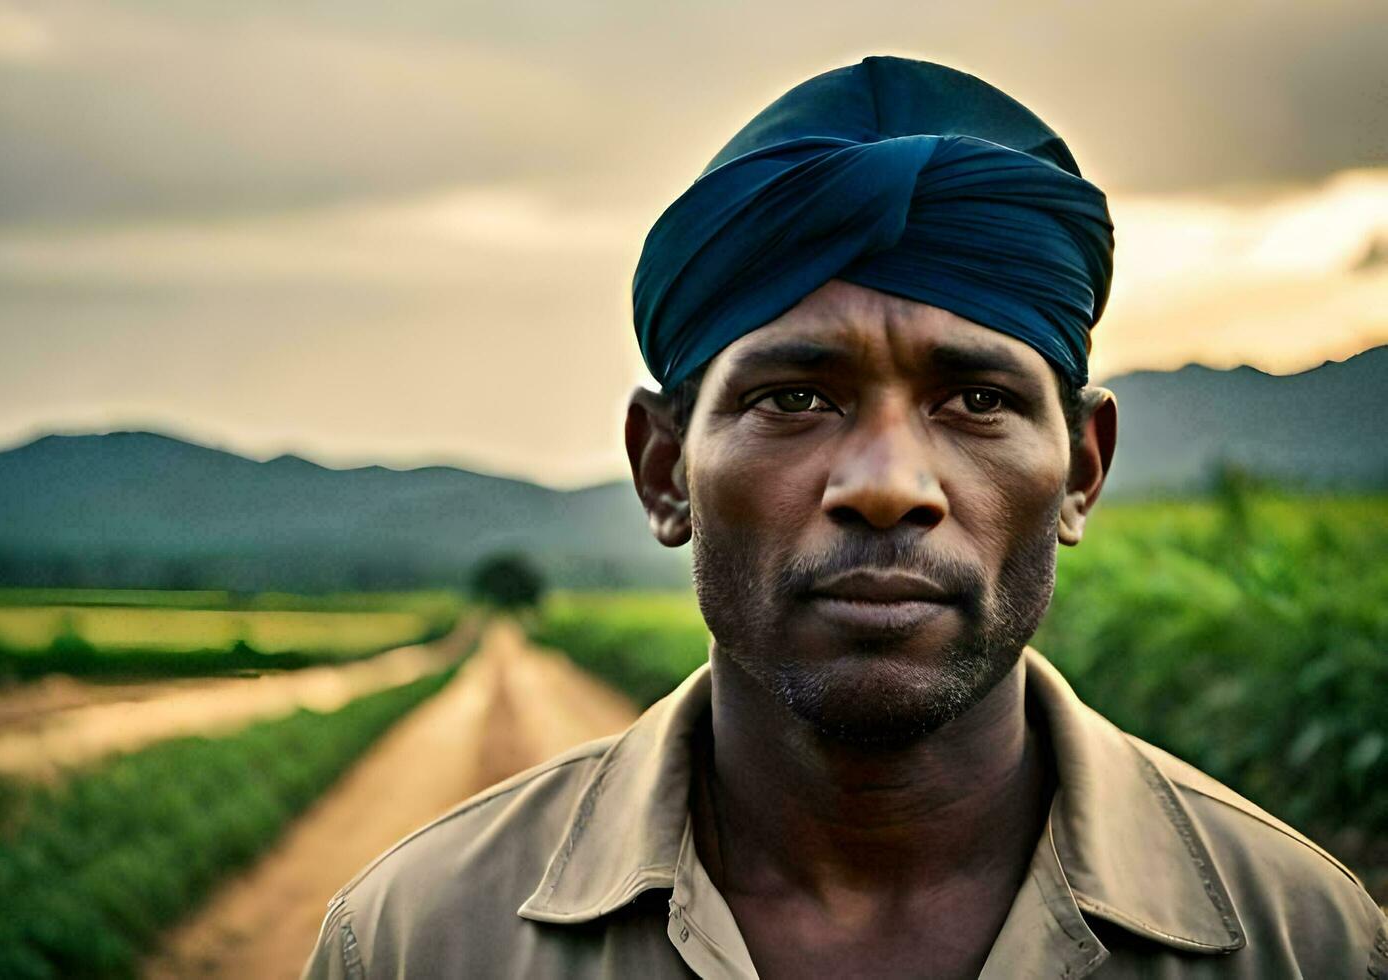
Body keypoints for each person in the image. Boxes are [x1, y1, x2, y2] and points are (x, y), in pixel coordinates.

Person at [302, 56, 1387, 978]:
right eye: (795, 397)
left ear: (1080, 473)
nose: (886, 482)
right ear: (665, 469)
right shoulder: (416, 941)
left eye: (978, 399)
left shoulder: (1309, 940)